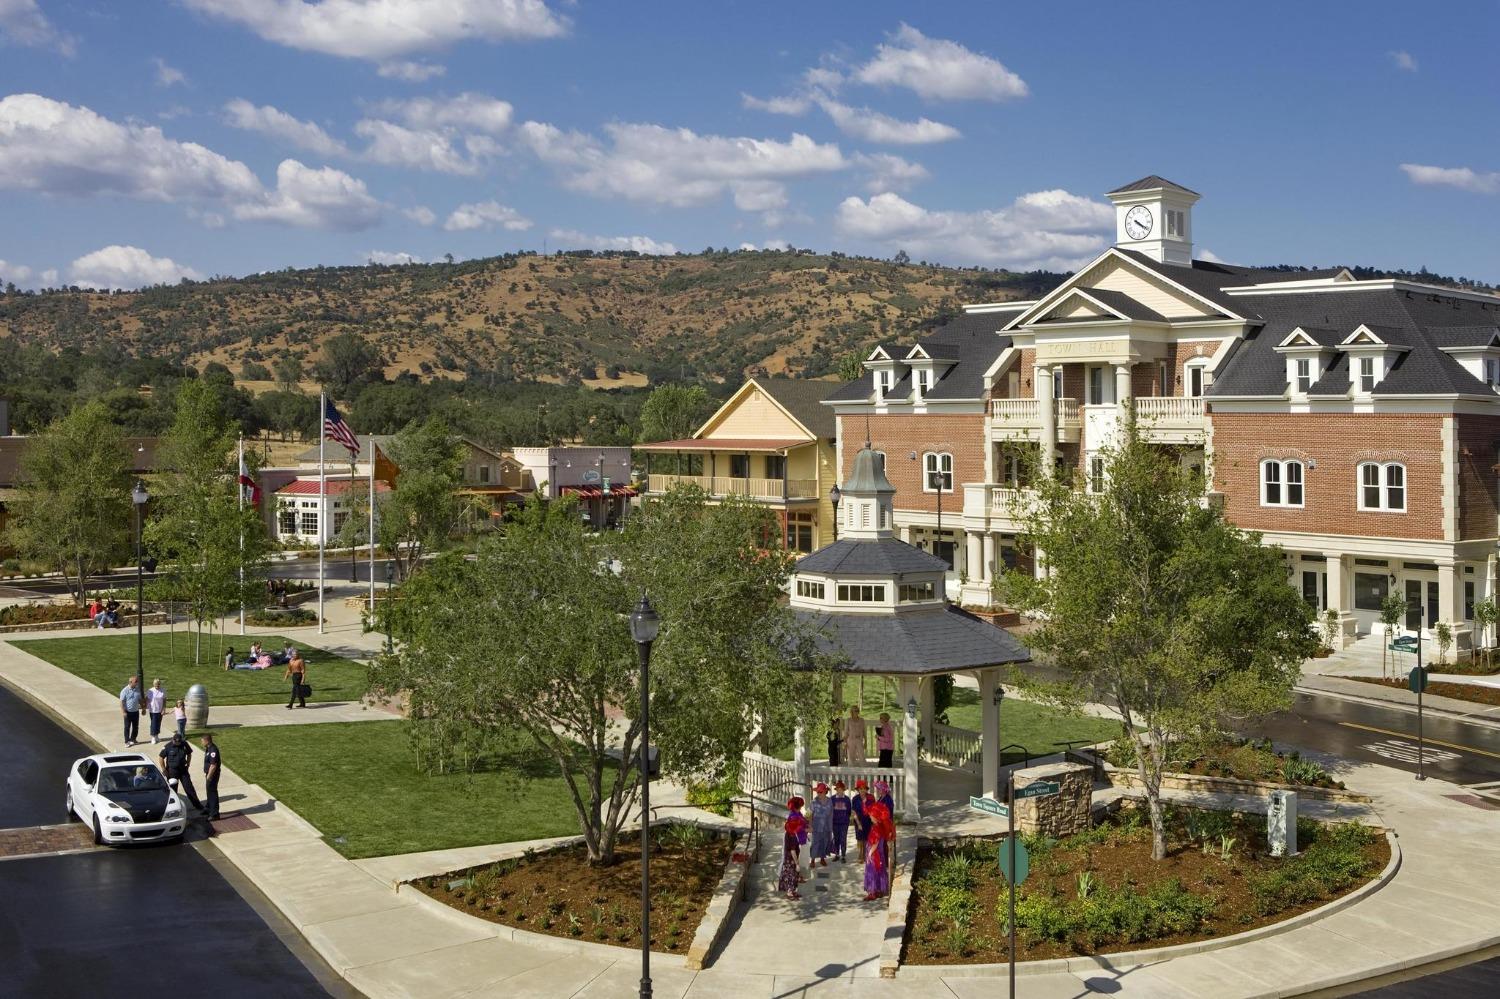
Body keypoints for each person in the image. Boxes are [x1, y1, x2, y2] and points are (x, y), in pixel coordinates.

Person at [159, 732, 202, 811]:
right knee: (173, 790)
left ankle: (198, 805)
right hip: (172, 772)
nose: (177, 743)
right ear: (173, 740)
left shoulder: (184, 744)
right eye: (176, 742)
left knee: (189, 788)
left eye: (179, 742)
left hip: (183, 770)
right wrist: (164, 769)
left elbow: (189, 754)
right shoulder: (168, 746)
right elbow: (161, 757)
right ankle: (173, 808)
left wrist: (188, 763)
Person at [863, 798, 895, 901]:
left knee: (872, 871)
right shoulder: (879, 826)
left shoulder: (876, 828)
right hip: (879, 853)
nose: (870, 816)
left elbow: (875, 843)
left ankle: (872, 892)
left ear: (876, 817)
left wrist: (870, 854)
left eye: (871, 815)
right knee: (879, 871)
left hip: (875, 853)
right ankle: (879, 890)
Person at [777, 807, 806, 900]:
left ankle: (793, 891)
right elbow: (793, 851)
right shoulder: (792, 836)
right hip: (791, 859)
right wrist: (797, 863)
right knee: (791, 876)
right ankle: (790, 893)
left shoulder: (788, 833)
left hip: (788, 858)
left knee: (793, 876)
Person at [809, 782, 834, 867]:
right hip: (816, 826)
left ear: (825, 792)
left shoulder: (830, 801)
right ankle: (812, 860)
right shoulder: (813, 802)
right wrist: (810, 826)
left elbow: (831, 814)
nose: (818, 793)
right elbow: (810, 815)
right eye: (818, 792)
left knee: (825, 842)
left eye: (820, 792)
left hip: (826, 826)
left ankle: (822, 858)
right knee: (815, 843)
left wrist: (831, 827)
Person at [200, 733, 222, 821]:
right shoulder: (208, 748)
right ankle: (208, 808)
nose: (201, 742)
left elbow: (213, 765)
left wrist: (209, 777)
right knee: (209, 792)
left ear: (206, 741)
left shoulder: (213, 750)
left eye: (202, 741)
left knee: (212, 793)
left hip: (212, 774)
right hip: (209, 774)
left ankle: (215, 814)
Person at [830, 780, 852, 863]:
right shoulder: (832, 799)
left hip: (844, 823)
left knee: (843, 839)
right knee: (836, 839)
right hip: (835, 823)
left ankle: (843, 855)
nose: (839, 791)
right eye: (838, 789)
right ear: (836, 790)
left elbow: (849, 811)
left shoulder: (847, 800)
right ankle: (837, 854)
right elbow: (830, 811)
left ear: (843, 790)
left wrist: (846, 819)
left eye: (841, 789)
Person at [851, 778, 871, 863]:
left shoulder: (870, 798)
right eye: (860, 789)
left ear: (866, 789)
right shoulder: (855, 799)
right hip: (858, 821)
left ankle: (866, 854)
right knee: (860, 838)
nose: (862, 790)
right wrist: (858, 823)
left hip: (868, 821)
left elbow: (873, 811)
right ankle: (861, 853)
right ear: (858, 790)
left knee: (867, 838)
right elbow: (854, 812)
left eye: (864, 788)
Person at [119, 676, 143, 746]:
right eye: (135, 682)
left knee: (136, 726)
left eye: (137, 681)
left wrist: (143, 708)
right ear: (130, 682)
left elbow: (139, 699)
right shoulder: (125, 691)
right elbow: (121, 702)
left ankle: (133, 739)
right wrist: (123, 712)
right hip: (128, 712)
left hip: (135, 711)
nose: (137, 683)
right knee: (127, 727)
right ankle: (127, 741)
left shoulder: (137, 689)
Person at [145, 678, 167, 745]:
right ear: (153, 684)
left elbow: (164, 700)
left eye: (158, 684)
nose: (157, 685)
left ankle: (157, 736)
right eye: (156, 684)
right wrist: (144, 707)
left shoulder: (163, 690)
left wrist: (163, 709)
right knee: (154, 723)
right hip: (153, 710)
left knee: (158, 723)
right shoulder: (150, 691)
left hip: (160, 709)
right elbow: (147, 699)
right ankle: (153, 737)